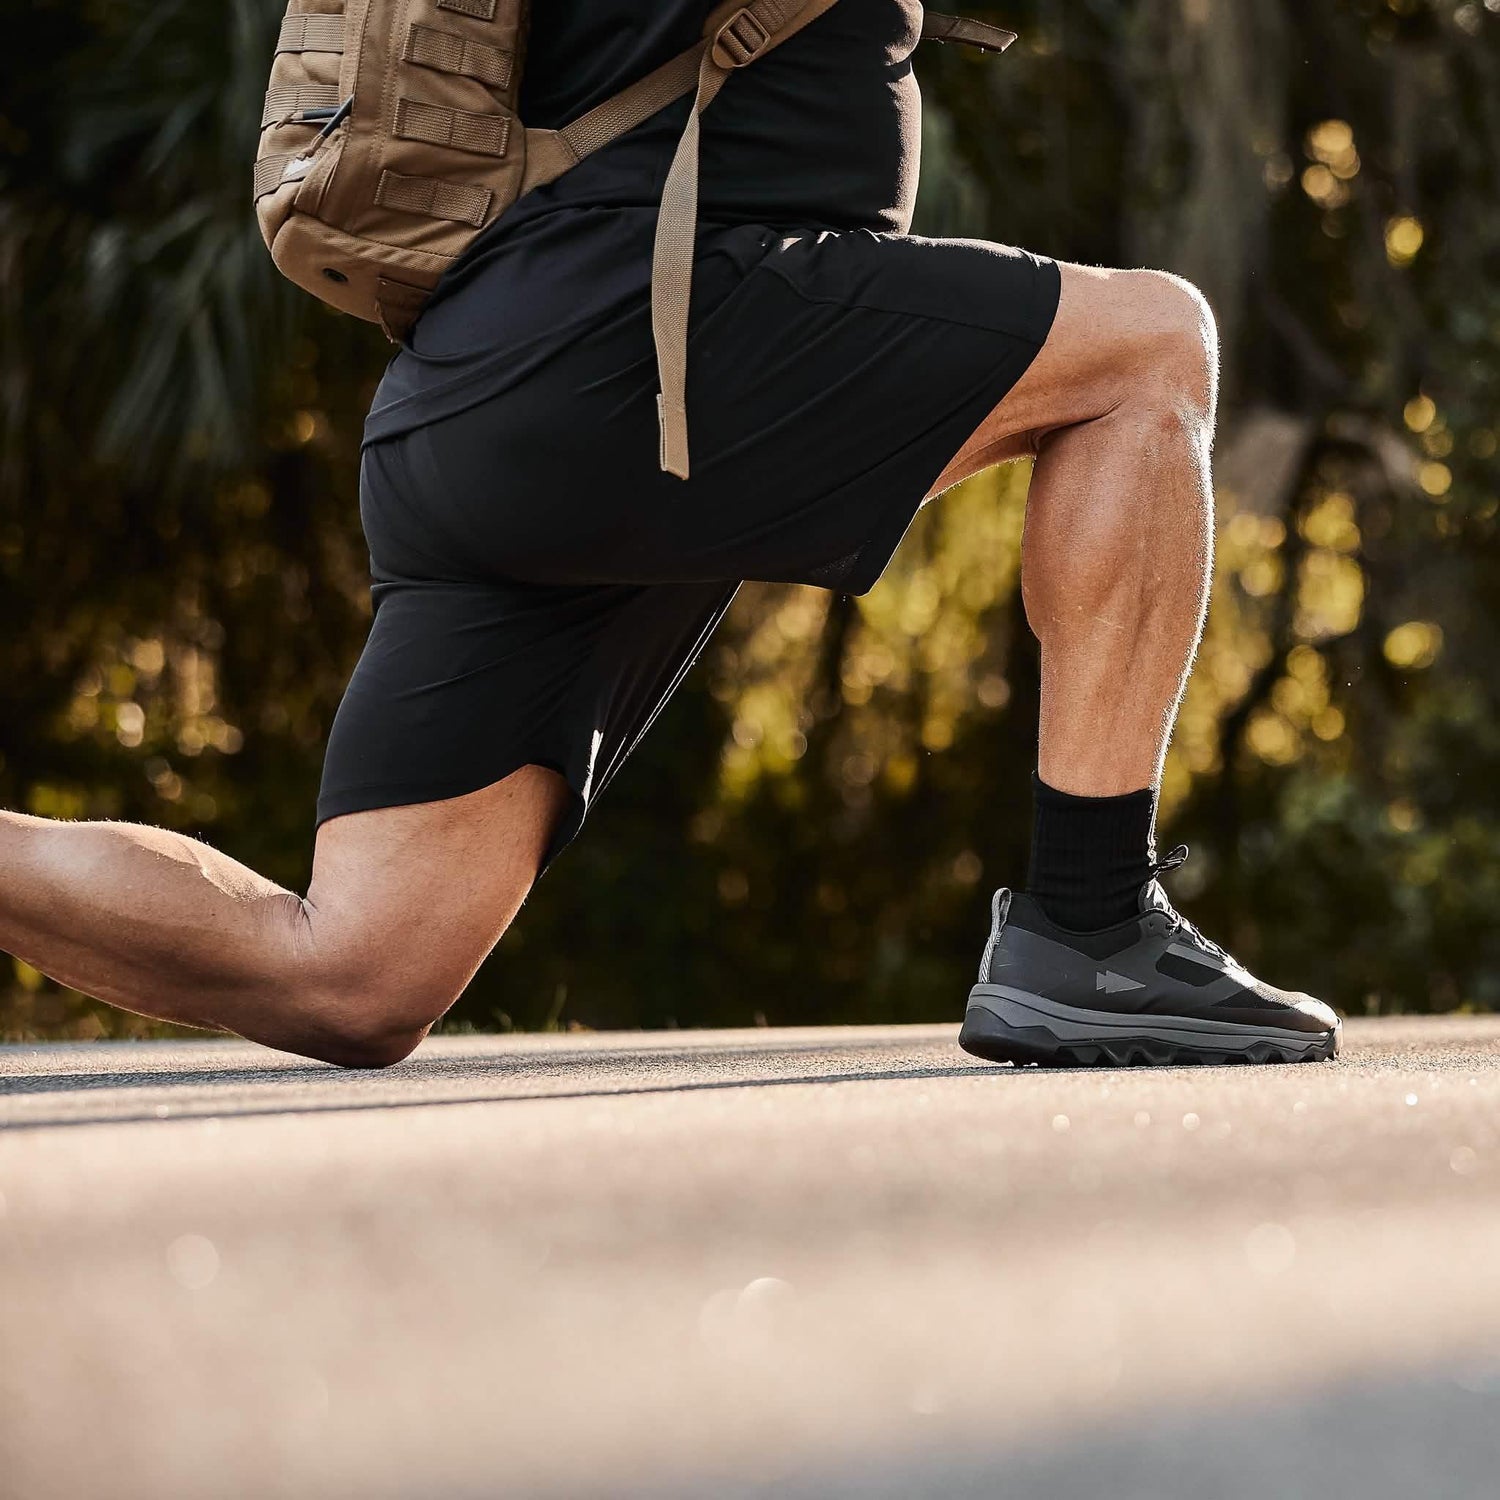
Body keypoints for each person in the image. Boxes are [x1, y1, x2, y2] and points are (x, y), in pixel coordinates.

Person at [0, 0, 1338, 1068]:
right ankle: (1093, 925)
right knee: (1149, 348)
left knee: (352, 975)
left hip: (492, 391)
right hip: (644, 344)